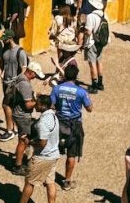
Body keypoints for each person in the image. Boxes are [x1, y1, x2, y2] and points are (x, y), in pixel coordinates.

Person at [50, 61, 93, 191]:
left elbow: (51, 105)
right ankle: (67, 181)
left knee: (53, 150)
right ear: (76, 76)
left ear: (65, 76)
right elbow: (89, 108)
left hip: (59, 123)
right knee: (71, 155)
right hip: (75, 125)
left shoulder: (57, 89)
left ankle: (49, 175)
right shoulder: (81, 92)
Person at [19, 94, 60, 203]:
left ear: (43, 106)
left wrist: (29, 142)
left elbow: (42, 143)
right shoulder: (53, 115)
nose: (35, 105)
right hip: (54, 155)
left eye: (37, 103)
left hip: (43, 158)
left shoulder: (43, 122)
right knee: (50, 183)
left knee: (29, 182)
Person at [12, 61, 45, 175]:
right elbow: (28, 105)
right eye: (35, 74)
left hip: (18, 113)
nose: (35, 77)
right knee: (23, 141)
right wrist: (39, 102)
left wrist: (34, 95)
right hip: (22, 115)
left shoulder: (20, 78)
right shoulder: (25, 84)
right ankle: (18, 166)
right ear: (30, 72)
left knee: (23, 139)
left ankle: (20, 161)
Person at [0, 28, 28, 142]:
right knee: (13, 106)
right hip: (5, 82)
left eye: (5, 39)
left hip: (13, 84)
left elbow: (24, 69)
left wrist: (16, 81)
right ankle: (17, 128)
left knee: (6, 105)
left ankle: (9, 131)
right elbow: (1, 66)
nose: (3, 41)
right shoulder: (4, 51)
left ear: (10, 38)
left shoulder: (20, 51)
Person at [81, 0, 107, 93]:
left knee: (92, 63)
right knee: (99, 61)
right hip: (101, 42)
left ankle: (94, 85)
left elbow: (88, 31)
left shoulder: (91, 16)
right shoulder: (104, 15)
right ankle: (100, 83)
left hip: (92, 42)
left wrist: (83, 28)